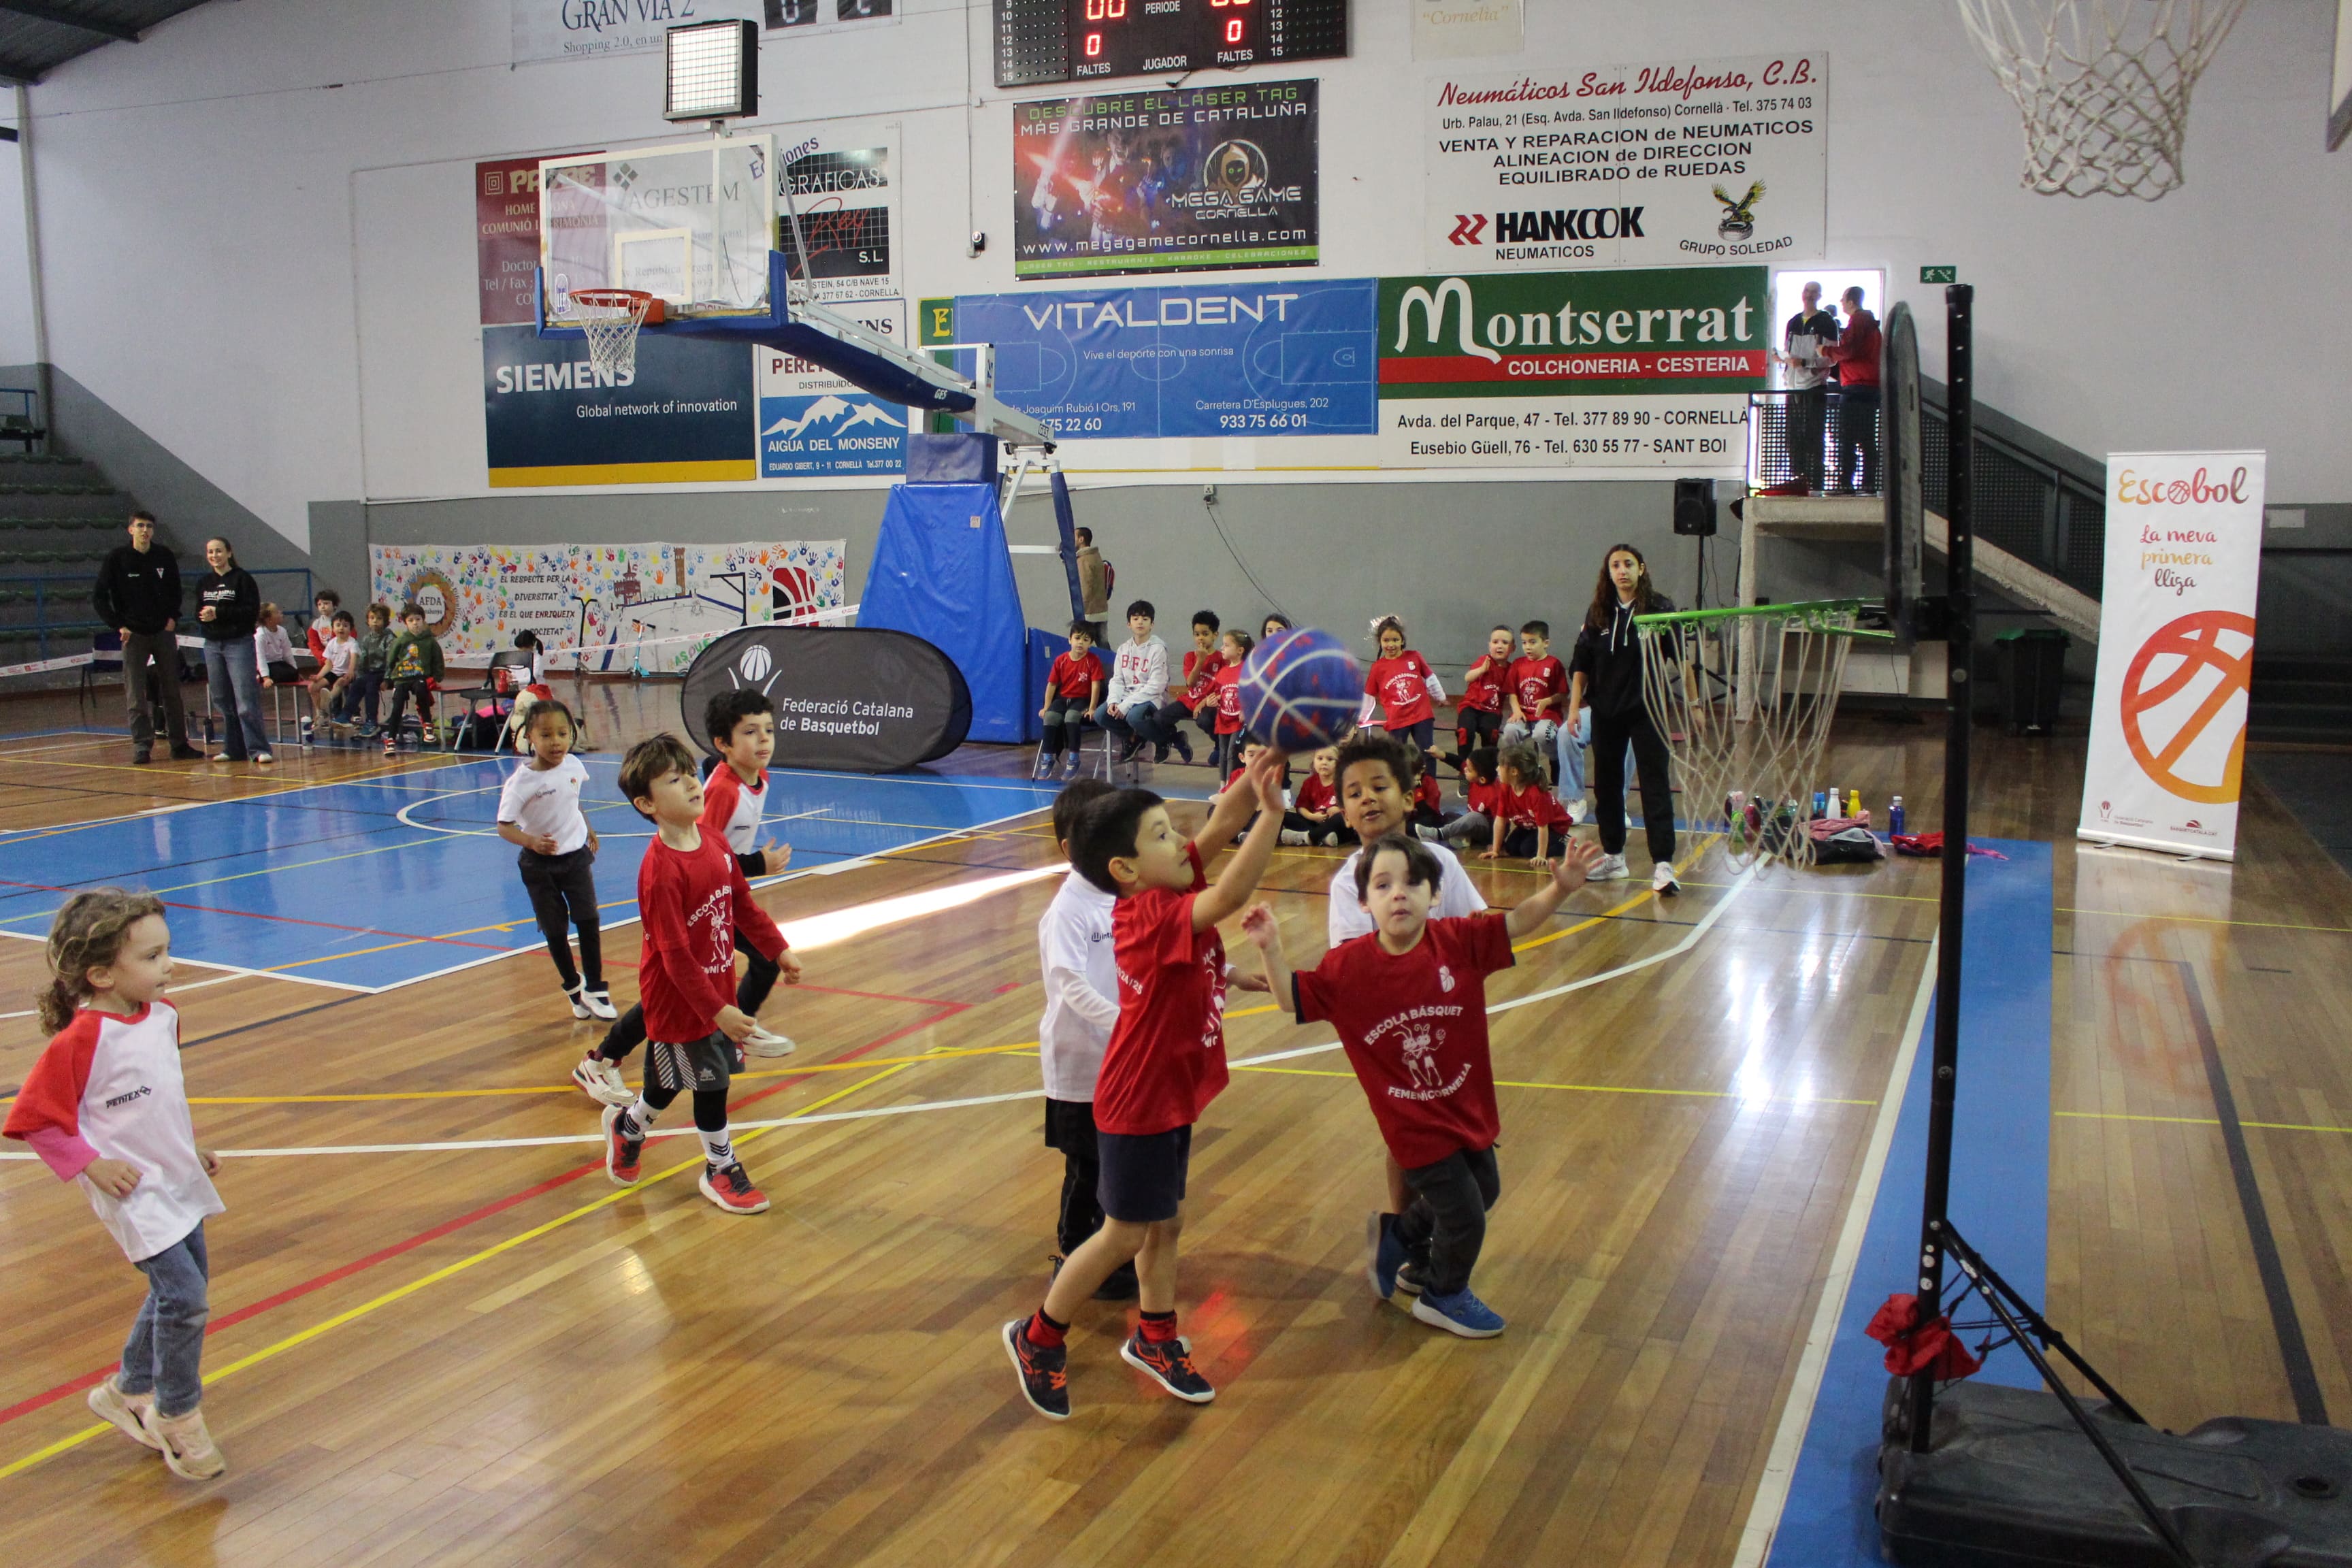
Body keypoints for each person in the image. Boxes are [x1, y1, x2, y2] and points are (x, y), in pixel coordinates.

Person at [1003, 749, 1290, 1420]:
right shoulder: (1148, 916)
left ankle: (1155, 1337)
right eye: (1162, 834)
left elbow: (1219, 828)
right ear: (1125, 869)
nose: (1181, 841)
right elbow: (1231, 894)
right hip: (1139, 1101)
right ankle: (1038, 1337)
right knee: (1122, 1235)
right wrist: (1274, 815)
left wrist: (1263, 766)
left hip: (1171, 1091)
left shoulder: (1162, 885)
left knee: (1167, 1222)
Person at [1239, 833, 1603, 1337]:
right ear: (1364, 902)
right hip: (1412, 1124)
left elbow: (1517, 922)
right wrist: (1271, 949)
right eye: (1383, 885)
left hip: (1466, 1105)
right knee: (1466, 1216)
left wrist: (1560, 889)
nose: (1399, 894)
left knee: (1485, 1189)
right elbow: (1289, 998)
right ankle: (1443, 1295)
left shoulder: (1458, 941)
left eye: (1413, 883)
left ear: (1435, 894)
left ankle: (1400, 1236)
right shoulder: (1348, 968)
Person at [3, 889, 227, 1478]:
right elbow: (35, 1120)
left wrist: (187, 1148)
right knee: (186, 1298)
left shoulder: (164, 1016)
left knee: (178, 1291)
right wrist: (91, 1163)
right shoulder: (79, 1041)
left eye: (167, 952)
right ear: (101, 975)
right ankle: (176, 1413)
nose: (169, 966)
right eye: (152, 958)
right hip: (132, 1192)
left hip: (175, 1177)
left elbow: (157, 1101)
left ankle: (126, 1390)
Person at [597, 733, 800, 1215]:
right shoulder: (660, 871)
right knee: (712, 1084)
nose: (692, 783)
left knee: (668, 1084)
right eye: (675, 780)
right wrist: (718, 1010)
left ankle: (628, 1128)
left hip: (714, 989)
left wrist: (777, 947)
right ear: (647, 804)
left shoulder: (713, 841)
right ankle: (720, 1168)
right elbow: (674, 956)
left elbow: (742, 905)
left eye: (691, 773)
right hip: (678, 997)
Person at [1328, 728, 1490, 1213]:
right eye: (1354, 793)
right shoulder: (1349, 884)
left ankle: (1416, 1233)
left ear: (1408, 795)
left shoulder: (1440, 862)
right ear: (1343, 810)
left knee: (1468, 1163)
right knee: (1409, 1138)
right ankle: (1405, 1233)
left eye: (1379, 786)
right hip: (1390, 1032)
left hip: (1448, 1024)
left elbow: (1475, 933)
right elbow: (1350, 965)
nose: (1368, 798)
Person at [1034, 778, 1139, 1303]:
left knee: (1116, 1162)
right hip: (1079, 1064)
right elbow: (1070, 985)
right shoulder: (1067, 911)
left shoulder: (1126, 896)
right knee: (1087, 1166)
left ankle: (1108, 1251)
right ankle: (1074, 1255)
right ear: (1070, 847)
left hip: (1121, 1058)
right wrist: (1128, 1021)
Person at [1567, 543, 1681, 894]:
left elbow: (1682, 658)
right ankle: (1614, 857)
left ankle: (1663, 864)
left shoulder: (1659, 608)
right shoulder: (1599, 611)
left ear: (1641, 569)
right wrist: (1573, 708)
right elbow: (1582, 664)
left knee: (1654, 783)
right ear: (1609, 572)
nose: (1622, 571)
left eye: (1628, 564)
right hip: (1606, 710)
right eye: (1615, 565)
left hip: (1648, 709)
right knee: (1607, 785)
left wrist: (1693, 704)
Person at [497, 700, 615, 1023]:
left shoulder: (574, 766)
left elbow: (573, 801)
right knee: (555, 930)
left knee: (588, 920)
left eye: (563, 734)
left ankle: (596, 988)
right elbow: (504, 827)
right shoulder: (521, 783)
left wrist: (589, 829)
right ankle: (574, 988)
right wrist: (532, 842)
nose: (556, 742)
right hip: (539, 867)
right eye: (546, 735)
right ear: (530, 737)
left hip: (575, 859)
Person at [93, 511, 200, 764]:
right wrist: (118, 625)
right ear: (130, 530)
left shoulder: (164, 556)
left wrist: (173, 617)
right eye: (140, 526)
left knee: (171, 691)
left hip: (163, 632)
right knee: (136, 693)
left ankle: (179, 744)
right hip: (134, 635)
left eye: (149, 526)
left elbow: (176, 590)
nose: (145, 530)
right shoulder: (117, 558)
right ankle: (142, 745)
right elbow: (99, 597)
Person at [193, 536, 268, 766]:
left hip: (238, 643)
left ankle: (258, 748)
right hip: (213, 645)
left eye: (218, 551)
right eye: (210, 552)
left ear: (229, 552)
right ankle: (234, 748)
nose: (214, 556)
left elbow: (250, 611)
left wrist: (219, 613)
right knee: (222, 698)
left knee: (245, 699)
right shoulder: (204, 582)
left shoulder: (242, 579)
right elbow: (198, 611)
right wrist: (205, 617)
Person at [1771, 280, 1839, 494]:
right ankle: (1796, 482)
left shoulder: (1827, 322)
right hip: (1792, 387)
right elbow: (1789, 351)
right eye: (1807, 291)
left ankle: (1815, 485)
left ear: (1819, 296)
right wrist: (1781, 359)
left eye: (1814, 292)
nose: (1809, 295)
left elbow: (1831, 358)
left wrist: (1806, 363)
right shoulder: (1793, 322)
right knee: (1793, 438)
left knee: (1813, 437)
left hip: (1814, 386)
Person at [1503, 620, 1577, 811]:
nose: (1528, 647)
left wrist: (1547, 701)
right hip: (1525, 715)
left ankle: (1555, 760)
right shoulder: (1518, 664)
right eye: (1524, 642)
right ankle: (1523, 769)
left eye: (1533, 642)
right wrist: (1516, 710)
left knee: (1542, 734)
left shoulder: (1554, 664)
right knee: (1509, 731)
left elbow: (1563, 693)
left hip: (1548, 716)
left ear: (1546, 643)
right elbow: (1512, 693)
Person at [1100, 600, 1173, 765]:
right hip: (1128, 694)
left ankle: (1162, 740)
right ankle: (1134, 739)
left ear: (1152, 624)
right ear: (1129, 624)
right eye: (1136, 618)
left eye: (1145, 619)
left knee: (1134, 717)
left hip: (1152, 696)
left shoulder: (1158, 649)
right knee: (1101, 715)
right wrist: (1114, 700)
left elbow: (1156, 686)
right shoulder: (1123, 649)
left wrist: (1127, 704)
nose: (1140, 622)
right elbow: (1117, 679)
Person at [1825, 286, 1882, 495]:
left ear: (1851, 302)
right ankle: (1868, 483)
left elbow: (1848, 350)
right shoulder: (1870, 325)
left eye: (1843, 299)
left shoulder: (1858, 321)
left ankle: (1846, 483)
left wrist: (1826, 351)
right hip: (1869, 387)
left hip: (1856, 387)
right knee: (1866, 438)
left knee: (1847, 438)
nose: (1841, 302)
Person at [1483, 742, 1575, 865]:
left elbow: (1543, 827)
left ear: (1514, 771)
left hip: (1553, 827)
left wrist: (1540, 856)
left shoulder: (1536, 794)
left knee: (1528, 850)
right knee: (1512, 848)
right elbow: (1500, 819)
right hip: (1529, 826)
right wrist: (1495, 850)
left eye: (1501, 766)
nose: (1497, 769)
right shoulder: (1506, 788)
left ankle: (1564, 845)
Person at [1036, 621, 1105, 780]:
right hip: (1063, 699)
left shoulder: (1093, 661)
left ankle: (1074, 759)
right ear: (1070, 640)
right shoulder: (1061, 660)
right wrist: (1046, 707)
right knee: (1050, 717)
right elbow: (1052, 685)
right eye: (1077, 638)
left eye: (1086, 640)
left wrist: (1092, 708)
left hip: (1082, 700)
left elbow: (1096, 686)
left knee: (1071, 717)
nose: (1080, 643)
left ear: (1091, 643)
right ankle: (1047, 758)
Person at [1363, 615, 1440, 757]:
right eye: (1386, 640)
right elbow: (1369, 694)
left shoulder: (1414, 657)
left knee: (1428, 753)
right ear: (1380, 641)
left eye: (1395, 640)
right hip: (1397, 719)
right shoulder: (1377, 668)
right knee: (1396, 756)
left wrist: (1440, 697)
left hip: (1422, 715)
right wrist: (1362, 717)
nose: (1391, 645)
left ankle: (1428, 774)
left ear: (1402, 640)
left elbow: (1430, 678)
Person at [379, 604, 444, 753]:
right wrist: (388, 679)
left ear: (423, 620)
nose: (415, 623)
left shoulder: (430, 641)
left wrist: (436, 678)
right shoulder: (401, 641)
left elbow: (438, 661)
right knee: (397, 706)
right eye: (411, 620)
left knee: (421, 688)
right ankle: (391, 739)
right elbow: (391, 661)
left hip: (420, 677)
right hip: (402, 679)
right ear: (406, 623)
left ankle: (427, 725)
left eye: (418, 619)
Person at [1452, 625, 1513, 766]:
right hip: (1471, 707)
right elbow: (1468, 677)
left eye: (1505, 643)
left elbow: (1513, 693)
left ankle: (1488, 769)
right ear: (1489, 645)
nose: (1500, 646)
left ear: (1513, 648)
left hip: (1492, 711)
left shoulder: (1511, 669)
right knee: (1465, 732)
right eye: (1495, 642)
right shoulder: (1484, 660)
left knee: (1490, 733)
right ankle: (1464, 769)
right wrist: (1481, 670)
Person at [1171, 610, 1224, 764]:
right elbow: (1191, 683)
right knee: (1160, 717)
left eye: (1205, 634)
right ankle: (1177, 740)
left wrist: (1204, 702)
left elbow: (1222, 687)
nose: (1200, 638)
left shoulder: (1222, 658)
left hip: (1211, 701)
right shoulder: (1190, 656)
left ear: (1215, 635)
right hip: (1191, 699)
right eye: (1197, 634)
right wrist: (1200, 660)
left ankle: (1220, 745)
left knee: (1204, 720)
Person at [1279, 743, 1346, 847]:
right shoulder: (1309, 782)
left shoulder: (1343, 782)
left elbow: (1352, 808)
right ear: (1314, 761)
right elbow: (1301, 807)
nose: (1324, 763)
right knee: (1285, 816)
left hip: (1332, 823)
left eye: (1330, 759)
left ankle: (1310, 837)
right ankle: (1322, 838)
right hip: (1313, 821)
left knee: (1341, 819)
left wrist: (1339, 810)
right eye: (1320, 759)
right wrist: (1312, 816)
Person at [1439, 746, 1503, 849]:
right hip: (1472, 825)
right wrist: (1442, 755)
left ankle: (1441, 833)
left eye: (1469, 770)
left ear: (1482, 779)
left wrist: (1494, 843)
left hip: (1485, 831)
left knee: (1474, 817)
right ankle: (1465, 838)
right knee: (1448, 815)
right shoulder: (1475, 778)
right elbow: (1459, 763)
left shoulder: (1493, 795)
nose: (1465, 770)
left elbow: (1501, 821)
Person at [1209, 628, 1252, 777]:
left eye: (1227, 645)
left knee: (1232, 753)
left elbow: (1254, 693)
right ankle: (1223, 784)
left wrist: (1247, 709)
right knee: (1223, 753)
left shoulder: (1247, 670)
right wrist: (1212, 701)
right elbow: (1217, 692)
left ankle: (1230, 784)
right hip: (1223, 719)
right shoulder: (1223, 671)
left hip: (1238, 721)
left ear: (1240, 650)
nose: (1222, 648)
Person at [348, 602, 394, 737]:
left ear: (385, 621)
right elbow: (363, 661)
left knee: (371, 685)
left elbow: (391, 662)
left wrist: (387, 680)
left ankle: (372, 722)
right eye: (372, 618)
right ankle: (346, 714)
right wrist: (360, 676)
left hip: (386, 674)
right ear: (368, 621)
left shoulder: (390, 638)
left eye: (379, 618)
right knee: (358, 683)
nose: (375, 621)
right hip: (371, 674)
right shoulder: (367, 639)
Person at [314, 610, 359, 734]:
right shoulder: (331, 643)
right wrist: (318, 677)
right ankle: (322, 713)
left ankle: (330, 698)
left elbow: (354, 658)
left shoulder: (352, 643)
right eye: (338, 625)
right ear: (333, 628)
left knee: (340, 683)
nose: (341, 628)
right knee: (314, 686)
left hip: (347, 673)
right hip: (334, 672)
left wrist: (351, 671)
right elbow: (328, 664)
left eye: (345, 625)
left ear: (351, 628)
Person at [1074, 525, 1110, 634]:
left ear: (1081, 539)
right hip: (1101, 610)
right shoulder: (1095, 556)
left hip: (1089, 613)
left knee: (1084, 640)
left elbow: (1085, 587)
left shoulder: (1084, 560)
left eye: (1074, 537)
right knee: (1102, 642)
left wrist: (1080, 610)